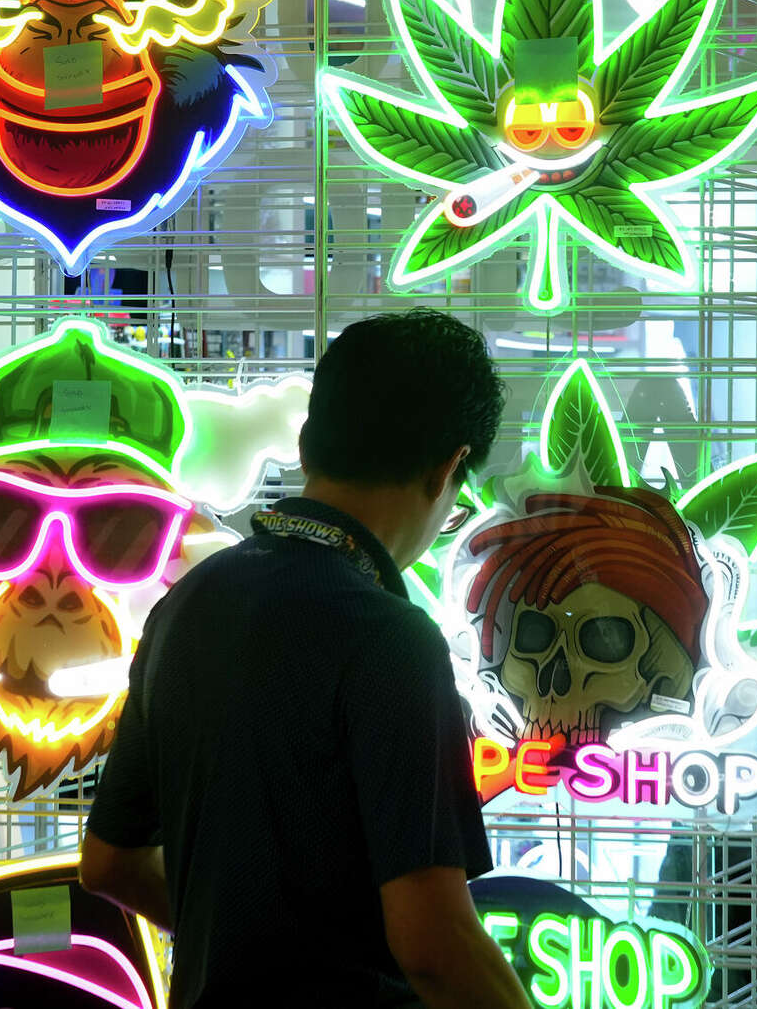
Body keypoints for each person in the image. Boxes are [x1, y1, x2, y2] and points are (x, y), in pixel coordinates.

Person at [82, 309, 529, 1009]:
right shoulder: (389, 637)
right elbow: (432, 942)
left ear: (312, 441)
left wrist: (238, 934)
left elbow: (109, 862)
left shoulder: (189, 604)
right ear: (446, 470)